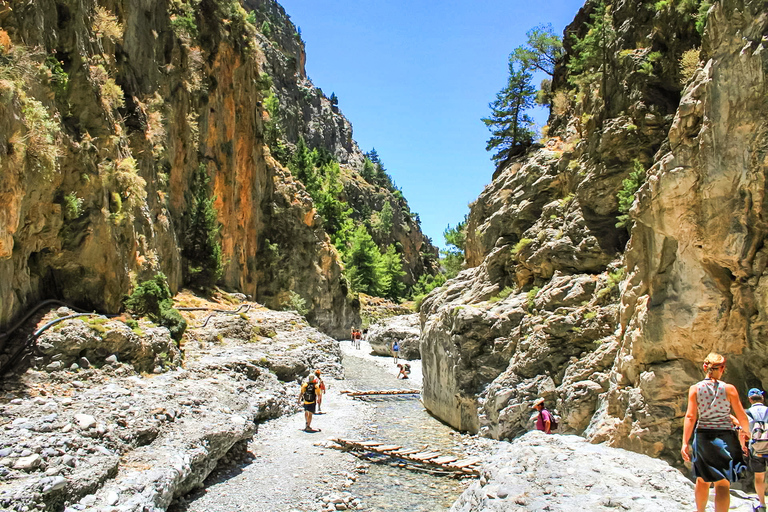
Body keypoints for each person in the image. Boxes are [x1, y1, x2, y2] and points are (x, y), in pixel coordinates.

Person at [681, 353, 750, 512]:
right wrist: (747, 434)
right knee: (723, 483)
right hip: (726, 437)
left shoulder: (695, 389)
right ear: (723, 368)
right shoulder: (729, 389)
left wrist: (685, 442)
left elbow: (691, 416)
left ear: (705, 367)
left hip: (703, 437)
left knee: (702, 480)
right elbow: (742, 416)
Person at [747, 388, 768, 512]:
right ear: (762, 398)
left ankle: (762, 505)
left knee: (759, 477)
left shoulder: (748, 412)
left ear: (750, 399)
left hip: (756, 448)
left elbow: (745, 430)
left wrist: (743, 446)